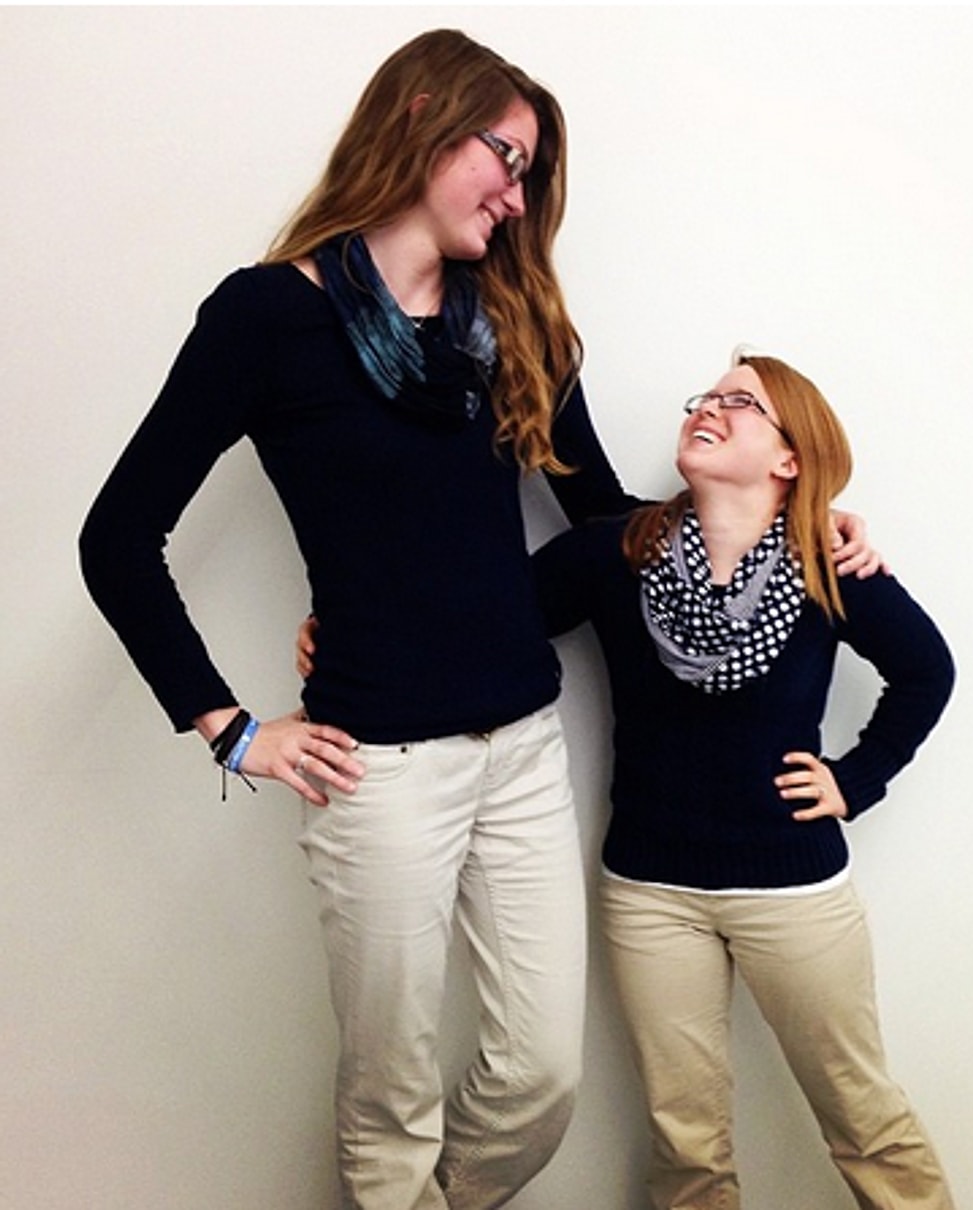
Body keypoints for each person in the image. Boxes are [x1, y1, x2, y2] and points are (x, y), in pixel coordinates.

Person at [79, 27, 878, 1210]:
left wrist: (791, 513)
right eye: (505, 159)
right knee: (390, 1094)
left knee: (544, 1074)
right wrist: (232, 728)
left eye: (527, 176)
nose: (515, 198)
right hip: (375, 767)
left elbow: (606, 520)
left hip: (522, 751)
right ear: (419, 121)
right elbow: (117, 538)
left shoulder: (513, 324)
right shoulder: (264, 318)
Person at [530, 350, 958, 1209]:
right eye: (707, 397)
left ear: (789, 458)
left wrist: (856, 779)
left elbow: (927, 672)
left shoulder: (827, 564)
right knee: (686, 1141)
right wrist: (346, 630)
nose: (709, 408)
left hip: (793, 892)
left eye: (742, 403)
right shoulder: (621, 550)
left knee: (865, 1120)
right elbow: (484, 618)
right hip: (650, 893)